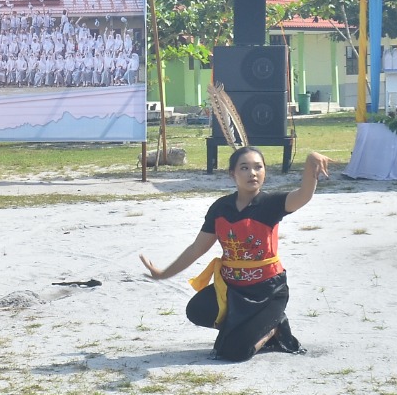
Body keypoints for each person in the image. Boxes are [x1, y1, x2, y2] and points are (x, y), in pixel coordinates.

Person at [140, 146, 332, 362]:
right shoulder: (221, 208)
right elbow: (197, 248)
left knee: (234, 352)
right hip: (232, 289)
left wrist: (310, 163)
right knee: (197, 310)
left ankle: (274, 327)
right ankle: (248, 327)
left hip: (268, 291)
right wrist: (164, 273)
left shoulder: (271, 204)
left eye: (258, 167)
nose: (252, 173)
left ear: (265, 171)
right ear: (232, 174)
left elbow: (303, 195)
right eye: (245, 168)